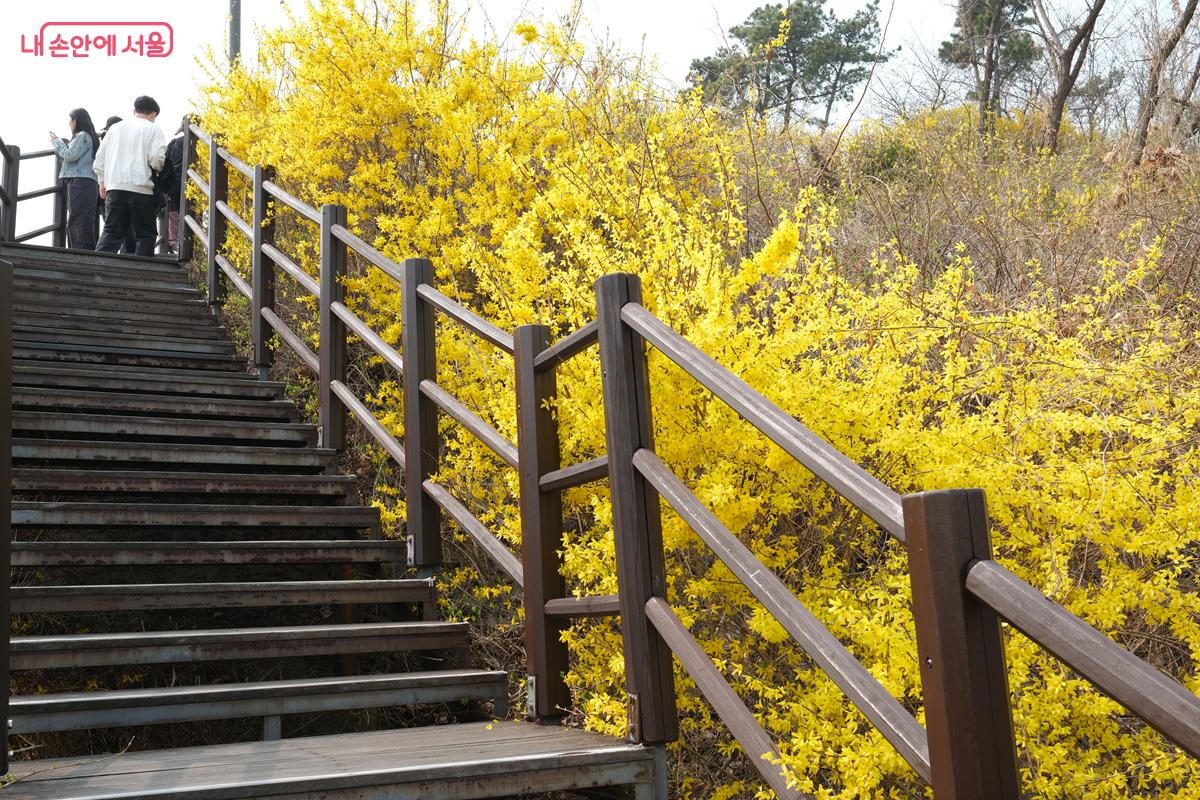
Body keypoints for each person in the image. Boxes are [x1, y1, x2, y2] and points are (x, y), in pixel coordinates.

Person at [94, 96, 167, 256]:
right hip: (142, 189)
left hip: (115, 188)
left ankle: (96, 269)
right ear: (154, 114)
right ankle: (142, 273)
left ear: (134, 111)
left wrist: (102, 182)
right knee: (145, 234)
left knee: (111, 233)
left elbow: (100, 159)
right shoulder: (154, 129)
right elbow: (157, 159)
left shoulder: (115, 129)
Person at [48, 108, 100, 250]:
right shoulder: (89, 136)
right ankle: (84, 252)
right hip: (87, 182)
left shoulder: (82, 135)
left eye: (71, 120)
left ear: (77, 120)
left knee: (78, 219)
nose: (69, 124)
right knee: (83, 218)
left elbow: (70, 155)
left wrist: (57, 142)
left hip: (81, 182)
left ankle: (80, 253)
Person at [97, 116, 135, 254]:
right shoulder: (128, 141)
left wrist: (101, 182)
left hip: (109, 189)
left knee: (111, 228)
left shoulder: (107, 141)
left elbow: (99, 163)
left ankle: (101, 259)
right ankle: (128, 256)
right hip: (129, 188)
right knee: (128, 226)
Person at [163, 116, 188, 253]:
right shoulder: (201, 143)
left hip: (174, 184)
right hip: (190, 184)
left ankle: (174, 242)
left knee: (174, 212)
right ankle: (190, 243)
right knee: (191, 213)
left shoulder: (174, 143)